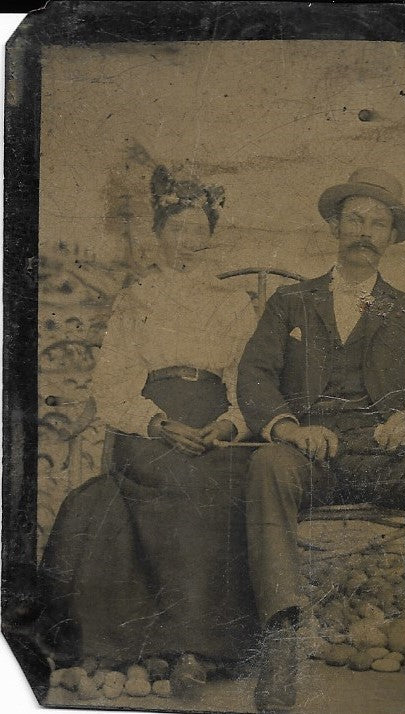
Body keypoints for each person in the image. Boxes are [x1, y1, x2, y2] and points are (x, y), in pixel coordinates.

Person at [237, 168, 405, 713]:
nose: (365, 231)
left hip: (387, 456)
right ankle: (281, 644)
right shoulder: (290, 302)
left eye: (378, 223)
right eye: (355, 219)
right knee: (268, 466)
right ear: (335, 228)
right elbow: (254, 375)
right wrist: (290, 427)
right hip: (310, 455)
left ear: (391, 238)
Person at [39, 168, 258, 696]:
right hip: (151, 426)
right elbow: (113, 384)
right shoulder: (137, 299)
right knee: (171, 481)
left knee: (216, 484)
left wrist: (227, 425)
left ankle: (195, 652)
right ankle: (181, 646)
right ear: (160, 234)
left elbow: (248, 383)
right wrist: (159, 423)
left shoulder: (233, 303)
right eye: (176, 229)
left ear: (210, 236)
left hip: (217, 428)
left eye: (197, 230)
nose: (187, 241)